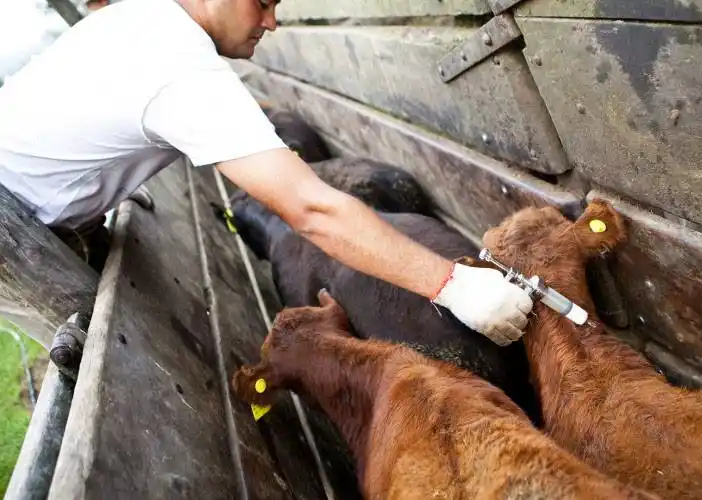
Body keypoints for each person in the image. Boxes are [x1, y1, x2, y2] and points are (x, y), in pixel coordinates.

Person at [0, 0, 533, 346]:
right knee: (77, 338)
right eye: (262, 2)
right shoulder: (177, 66)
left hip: (35, 202)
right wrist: (454, 286)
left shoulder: (139, 18)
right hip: (18, 237)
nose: (273, 22)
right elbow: (312, 208)